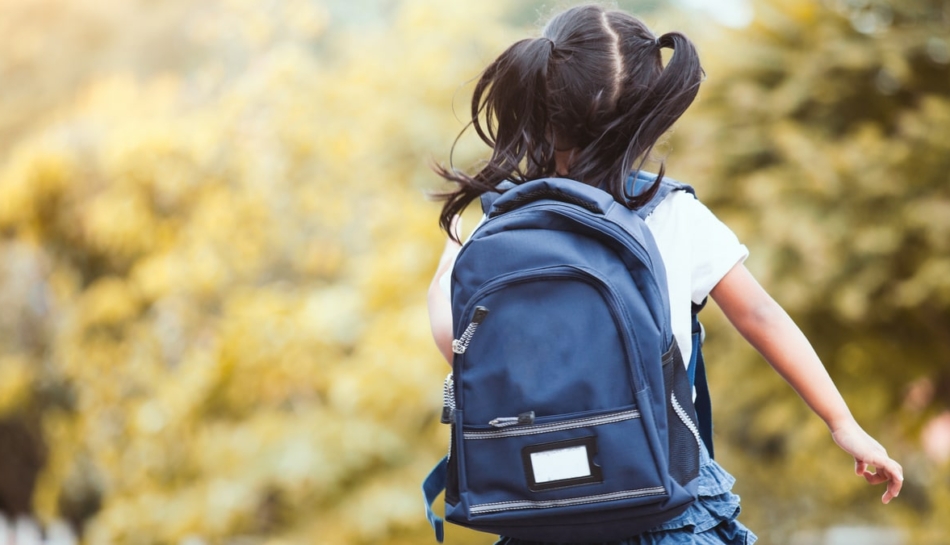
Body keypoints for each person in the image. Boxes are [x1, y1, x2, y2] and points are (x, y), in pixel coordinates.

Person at [426, 4, 903, 544]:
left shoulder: (498, 223)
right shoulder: (671, 213)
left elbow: (456, 345)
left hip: (537, 511)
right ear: (646, 116)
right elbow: (761, 316)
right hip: (665, 505)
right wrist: (843, 424)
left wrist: (452, 256)